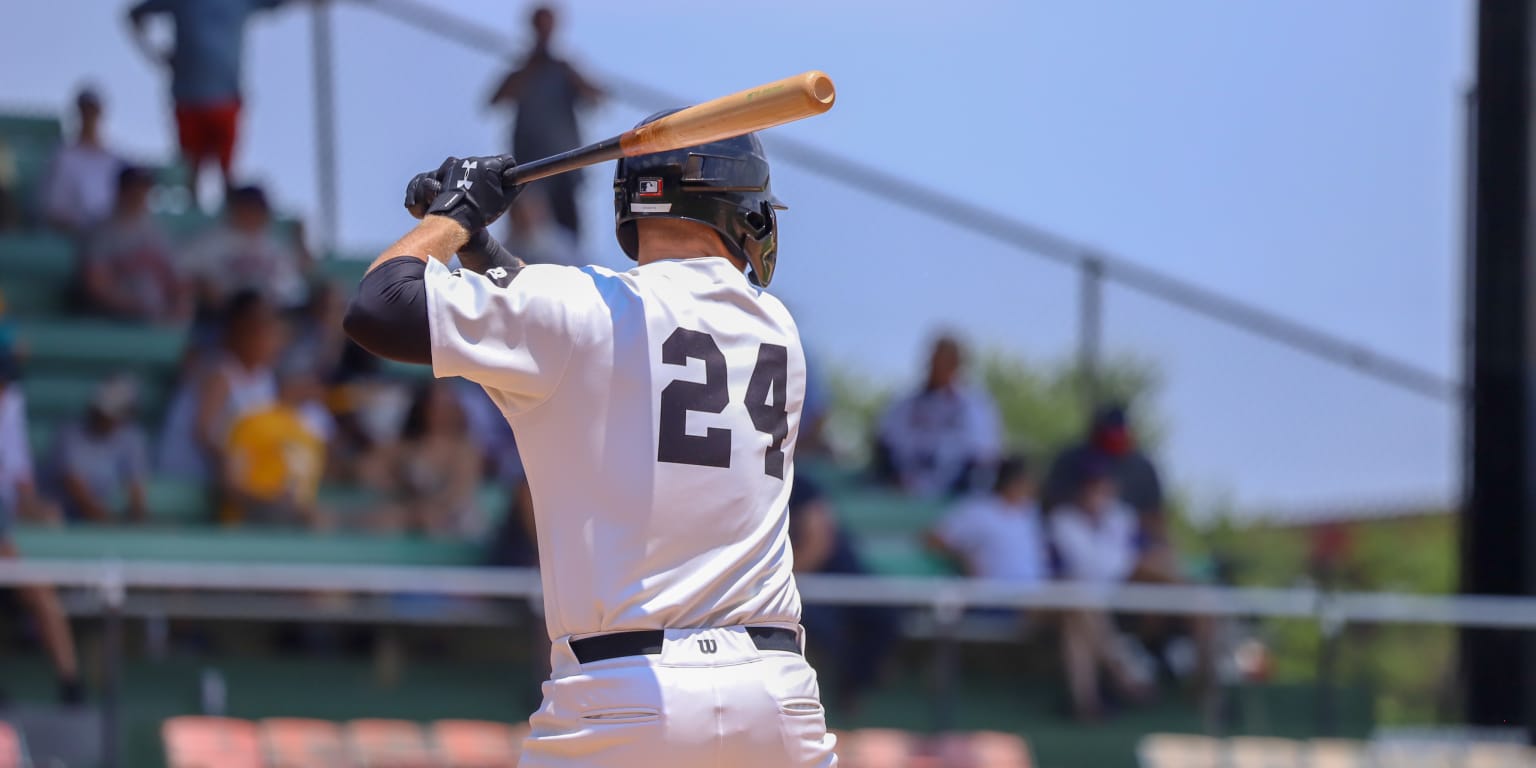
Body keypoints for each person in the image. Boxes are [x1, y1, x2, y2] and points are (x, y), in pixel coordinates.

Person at [343, 117, 835, 765]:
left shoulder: (582, 308)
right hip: (776, 700)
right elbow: (579, 339)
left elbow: (378, 305)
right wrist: (481, 250)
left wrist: (454, 215)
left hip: (627, 695)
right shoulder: (777, 326)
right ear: (730, 206)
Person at [127, 0, 290, 204]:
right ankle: (194, 216)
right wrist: (156, 54)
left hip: (225, 100)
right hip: (189, 99)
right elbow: (134, 15)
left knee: (227, 173)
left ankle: (231, 219)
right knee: (191, 174)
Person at [0, 351, 84, 704]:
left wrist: (39, 510)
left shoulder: (11, 405)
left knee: (41, 588)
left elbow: (20, 486)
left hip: (5, 526)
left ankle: (70, 684)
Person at [488, 4, 602, 242]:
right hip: (529, 165)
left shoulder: (565, 69)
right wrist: (530, 68)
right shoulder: (523, 69)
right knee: (523, 234)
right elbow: (496, 100)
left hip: (565, 164)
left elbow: (596, 99)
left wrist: (571, 74)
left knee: (570, 235)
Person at [1048, 459, 1147, 721]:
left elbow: (1135, 560)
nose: (1097, 493)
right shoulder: (1062, 520)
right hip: (1072, 601)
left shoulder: (1122, 517)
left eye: (1102, 487)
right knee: (1080, 605)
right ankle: (1120, 675)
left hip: (1118, 600)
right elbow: (1067, 571)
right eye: (1092, 487)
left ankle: (1086, 703)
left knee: (1077, 627)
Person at [789, 477, 899, 713]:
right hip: (800, 595)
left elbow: (817, 541)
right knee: (825, 632)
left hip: (834, 581)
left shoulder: (800, 484)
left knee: (883, 618)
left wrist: (789, 578)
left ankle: (856, 687)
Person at [158, 290, 281, 481]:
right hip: (190, 472)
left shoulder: (264, 377)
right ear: (237, 329)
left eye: (270, 327)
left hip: (228, 475)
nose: (268, 337)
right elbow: (202, 432)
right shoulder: (219, 371)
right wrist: (232, 459)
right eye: (258, 327)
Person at [873, 335, 1002, 498]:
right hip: (904, 492)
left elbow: (984, 455)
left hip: (956, 498)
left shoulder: (975, 405)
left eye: (947, 362)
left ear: (958, 364)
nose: (939, 367)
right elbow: (885, 442)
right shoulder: (904, 403)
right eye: (935, 361)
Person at [361, 380, 483, 538]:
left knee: (431, 520)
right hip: (410, 510)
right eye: (435, 405)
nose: (441, 411)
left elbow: (458, 494)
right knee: (387, 519)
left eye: (446, 405)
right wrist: (398, 481)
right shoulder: (404, 446)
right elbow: (369, 470)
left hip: (453, 516)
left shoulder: (465, 449)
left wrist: (427, 508)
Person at [221, 359, 328, 528]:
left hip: (295, 532)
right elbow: (231, 485)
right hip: (250, 527)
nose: (315, 388)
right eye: (309, 381)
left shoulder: (310, 431)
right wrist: (271, 503)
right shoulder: (253, 421)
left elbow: (306, 498)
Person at [78, 165, 190, 323]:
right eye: (133, 189)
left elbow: (179, 281)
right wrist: (139, 307)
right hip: (116, 321)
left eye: (143, 189)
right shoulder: (102, 230)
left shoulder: (159, 231)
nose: (138, 195)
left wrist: (177, 307)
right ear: (120, 191)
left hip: (157, 318)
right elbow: (96, 285)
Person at [180, 184, 310, 318]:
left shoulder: (275, 245)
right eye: (248, 207)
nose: (253, 214)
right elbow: (181, 272)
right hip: (223, 316)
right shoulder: (210, 240)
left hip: (272, 315)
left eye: (258, 209)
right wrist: (202, 286)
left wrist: (301, 239)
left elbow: (300, 273)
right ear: (236, 208)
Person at [925, 455, 1048, 584]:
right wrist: (963, 559)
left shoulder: (1030, 512)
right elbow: (933, 539)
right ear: (1014, 481)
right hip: (992, 597)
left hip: (1033, 596)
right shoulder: (979, 511)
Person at [47, 375, 151, 524]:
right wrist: (114, 526)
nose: (107, 418)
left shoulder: (131, 437)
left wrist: (138, 521)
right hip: (62, 515)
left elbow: (137, 494)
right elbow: (80, 496)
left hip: (96, 517)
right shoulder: (69, 434)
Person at [42, 87, 121, 236]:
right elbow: (56, 210)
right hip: (83, 235)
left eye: (93, 110)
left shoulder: (114, 159)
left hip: (115, 233)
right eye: (85, 110)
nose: (89, 116)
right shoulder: (64, 157)